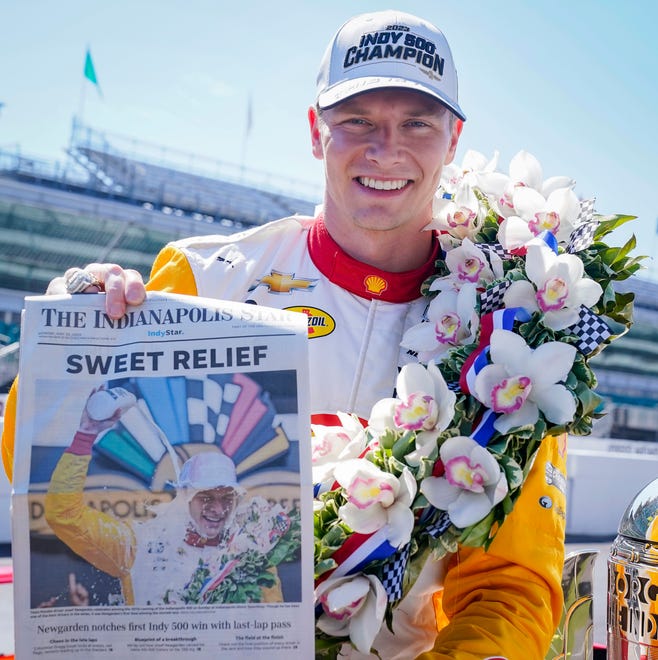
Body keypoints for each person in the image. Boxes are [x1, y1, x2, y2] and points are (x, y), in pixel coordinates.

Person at [3, 9, 567, 658]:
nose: (386, 148)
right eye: (357, 120)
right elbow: (37, 471)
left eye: (417, 122)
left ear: (454, 139)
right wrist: (71, 345)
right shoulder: (207, 275)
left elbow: (508, 588)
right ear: (314, 130)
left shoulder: (504, 334)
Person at [44, 388, 286, 606]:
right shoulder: (138, 544)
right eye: (206, 497)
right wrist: (86, 434)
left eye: (227, 498)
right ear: (184, 498)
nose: (218, 509)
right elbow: (64, 516)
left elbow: (273, 625)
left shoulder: (250, 554)